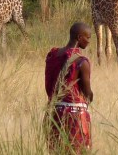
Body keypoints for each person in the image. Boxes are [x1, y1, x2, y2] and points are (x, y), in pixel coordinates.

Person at [44, 22, 93, 154]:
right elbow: (88, 93)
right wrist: (90, 97)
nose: (88, 41)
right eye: (87, 37)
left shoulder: (53, 55)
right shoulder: (81, 62)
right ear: (79, 37)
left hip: (53, 111)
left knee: (55, 150)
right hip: (74, 116)